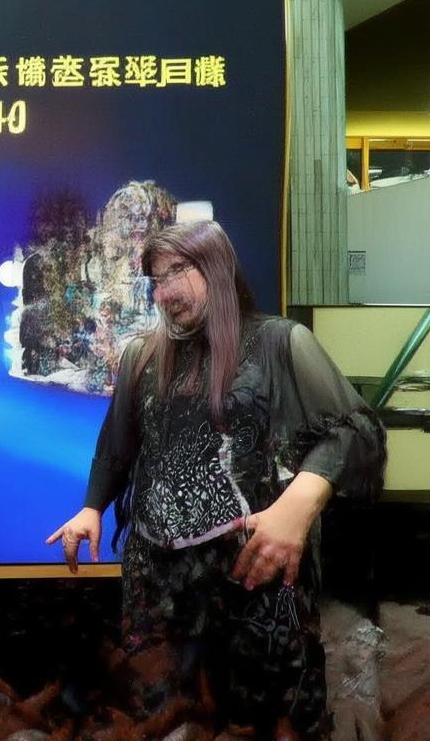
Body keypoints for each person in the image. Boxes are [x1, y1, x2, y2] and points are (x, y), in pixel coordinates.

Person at [47, 220, 385, 740]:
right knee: (173, 714)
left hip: (254, 573)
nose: (165, 292)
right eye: (156, 279)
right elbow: (117, 446)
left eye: (179, 270)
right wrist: (91, 507)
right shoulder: (142, 355)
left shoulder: (278, 342)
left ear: (217, 268)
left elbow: (357, 432)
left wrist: (297, 507)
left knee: (271, 716)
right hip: (160, 580)